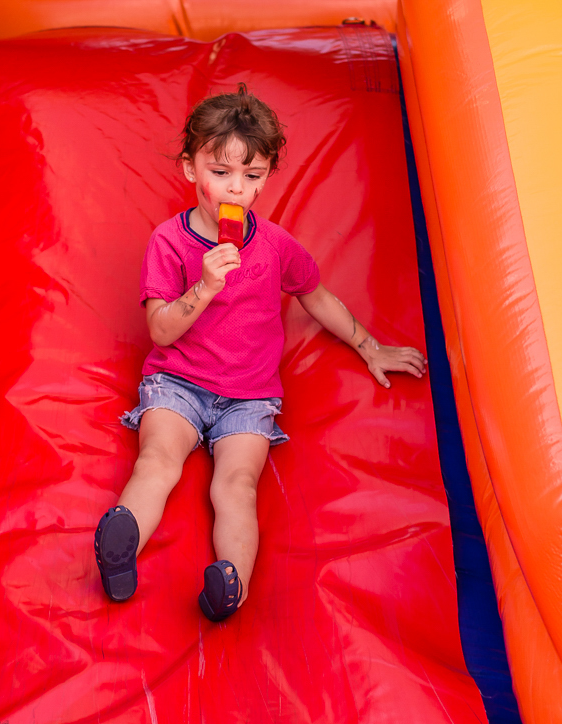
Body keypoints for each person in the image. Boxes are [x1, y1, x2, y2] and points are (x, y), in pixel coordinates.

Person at [93, 84, 427, 620]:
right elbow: (158, 330)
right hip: (178, 381)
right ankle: (120, 548)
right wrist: (203, 288)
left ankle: (231, 582)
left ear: (268, 177)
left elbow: (314, 294)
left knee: (238, 484)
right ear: (189, 169)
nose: (236, 189)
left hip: (247, 397)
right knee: (158, 459)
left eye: (252, 177)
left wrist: (370, 346)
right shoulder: (170, 243)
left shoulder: (274, 245)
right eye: (220, 173)